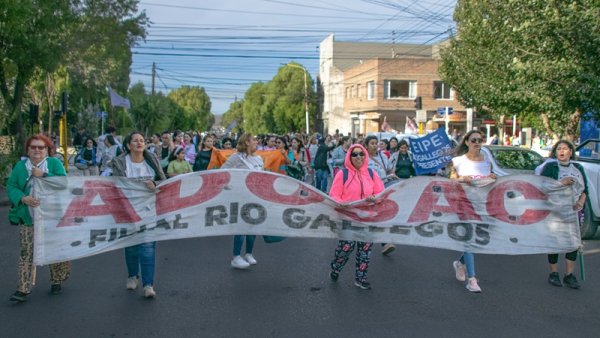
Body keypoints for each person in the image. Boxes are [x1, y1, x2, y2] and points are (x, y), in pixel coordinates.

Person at [8, 134, 70, 302]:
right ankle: (23, 288)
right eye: (33, 147)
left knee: (55, 250)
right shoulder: (20, 167)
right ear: (28, 150)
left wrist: (43, 175)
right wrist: (22, 198)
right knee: (26, 252)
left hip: (53, 217)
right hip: (29, 218)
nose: (37, 150)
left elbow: (63, 183)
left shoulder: (54, 164)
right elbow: (12, 186)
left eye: (40, 147)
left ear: (47, 150)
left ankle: (57, 279)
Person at [109, 131, 166, 298]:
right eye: (135, 141)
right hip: (127, 210)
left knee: (147, 247)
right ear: (128, 145)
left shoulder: (152, 160)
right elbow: (114, 184)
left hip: (149, 211)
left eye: (142, 140)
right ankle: (133, 276)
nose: (140, 143)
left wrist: (154, 183)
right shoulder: (120, 162)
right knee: (132, 246)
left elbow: (163, 181)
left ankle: (148, 285)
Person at [328, 143, 385, 290]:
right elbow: (334, 195)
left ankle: (361, 278)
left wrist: (375, 199)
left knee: (365, 251)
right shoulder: (343, 174)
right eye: (355, 154)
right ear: (349, 157)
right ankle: (336, 267)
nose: (358, 157)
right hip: (348, 218)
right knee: (346, 247)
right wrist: (342, 203)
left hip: (368, 218)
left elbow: (381, 194)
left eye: (361, 154)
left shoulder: (372, 174)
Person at [448, 130, 496, 293]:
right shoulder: (458, 161)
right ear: (467, 142)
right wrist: (462, 179)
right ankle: (472, 279)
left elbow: (490, 178)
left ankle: (460, 263)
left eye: (480, 140)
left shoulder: (487, 159)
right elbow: (451, 181)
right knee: (469, 239)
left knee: (477, 239)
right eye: (473, 139)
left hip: (482, 203)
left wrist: (492, 177)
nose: (477, 142)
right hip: (464, 203)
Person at [539, 140, 587, 289]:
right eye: (559, 149)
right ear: (555, 152)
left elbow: (585, 190)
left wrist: (581, 202)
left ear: (570, 152)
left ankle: (569, 275)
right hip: (555, 211)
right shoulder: (550, 167)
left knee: (573, 242)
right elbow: (543, 186)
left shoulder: (578, 167)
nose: (562, 151)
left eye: (565, 149)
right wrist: (561, 183)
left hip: (573, 211)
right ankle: (553, 274)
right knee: (555, 242)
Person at [221, 133, 264, 269]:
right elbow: (222, 173)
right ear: (246, 142)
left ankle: (249, 253)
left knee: (253, 225)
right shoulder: (236, 158)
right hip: (240, 197)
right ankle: (236, 256)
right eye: (254, 141)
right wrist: (230, 187)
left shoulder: (259, 159)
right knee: (241, 225)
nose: (256, 143)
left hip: (256, 196)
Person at [365, 135, 398, 255]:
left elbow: (389, 170)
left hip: (383, 191)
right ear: (367, 145)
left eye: (376, 143)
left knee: (381, 216)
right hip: (369, 193)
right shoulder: (363, 158)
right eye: (372, 143)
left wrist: (391, 175)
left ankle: (384, 242)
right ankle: (380, 242)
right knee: (373, 217)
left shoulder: (383, 157)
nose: (375, 145)